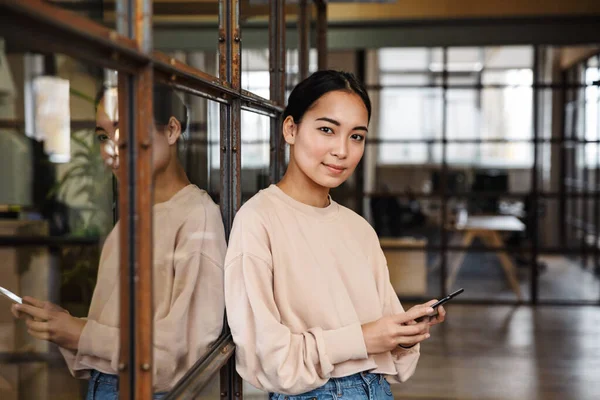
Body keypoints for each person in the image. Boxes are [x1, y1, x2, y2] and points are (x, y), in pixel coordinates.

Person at [224, 70, 447, 400]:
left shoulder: (359, 229)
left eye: (356, 136)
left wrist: (402, 334)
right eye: (327, 129)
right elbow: (269, 361)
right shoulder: (258, 220)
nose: (342, 150)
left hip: (377, 390)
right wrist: (364, 338)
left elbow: (392, 359)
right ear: (291, 129)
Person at [12, 83, 227, 400]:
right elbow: (120, 329)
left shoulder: (198, 219)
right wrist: (67, 326)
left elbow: (178, 359)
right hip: (107, 384)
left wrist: (82, 333)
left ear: (170, 130)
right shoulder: (133, 219)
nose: (111, 147)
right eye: (103, 135)